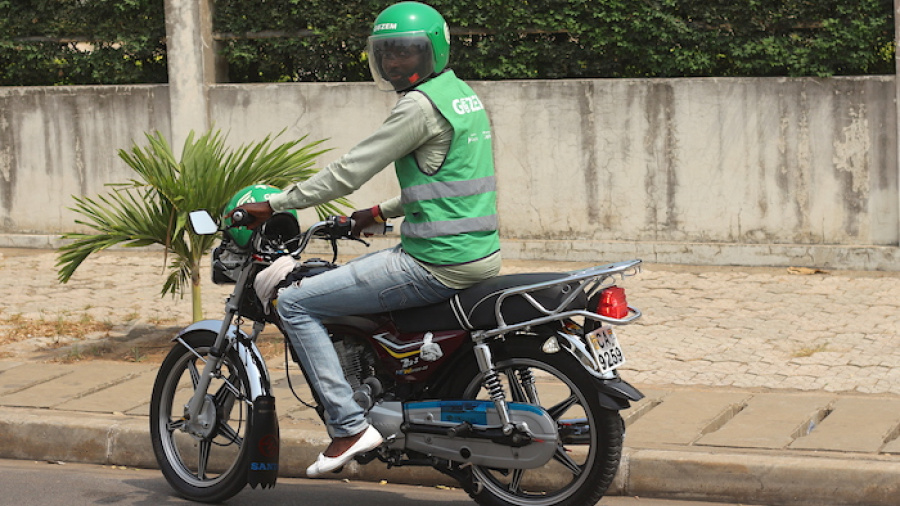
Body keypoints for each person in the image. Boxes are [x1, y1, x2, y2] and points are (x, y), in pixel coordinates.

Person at [231, 1, 501, 478]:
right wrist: (380, 213)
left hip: (434, 261)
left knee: (296, 303)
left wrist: (273, 204)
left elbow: (348, 172)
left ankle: (349, 425)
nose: (395, 62)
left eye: (407, 53)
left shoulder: (418, 107)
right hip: (478, 252)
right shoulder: (461, 95)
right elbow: (450, 184)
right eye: (388, 52)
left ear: (432, 52)